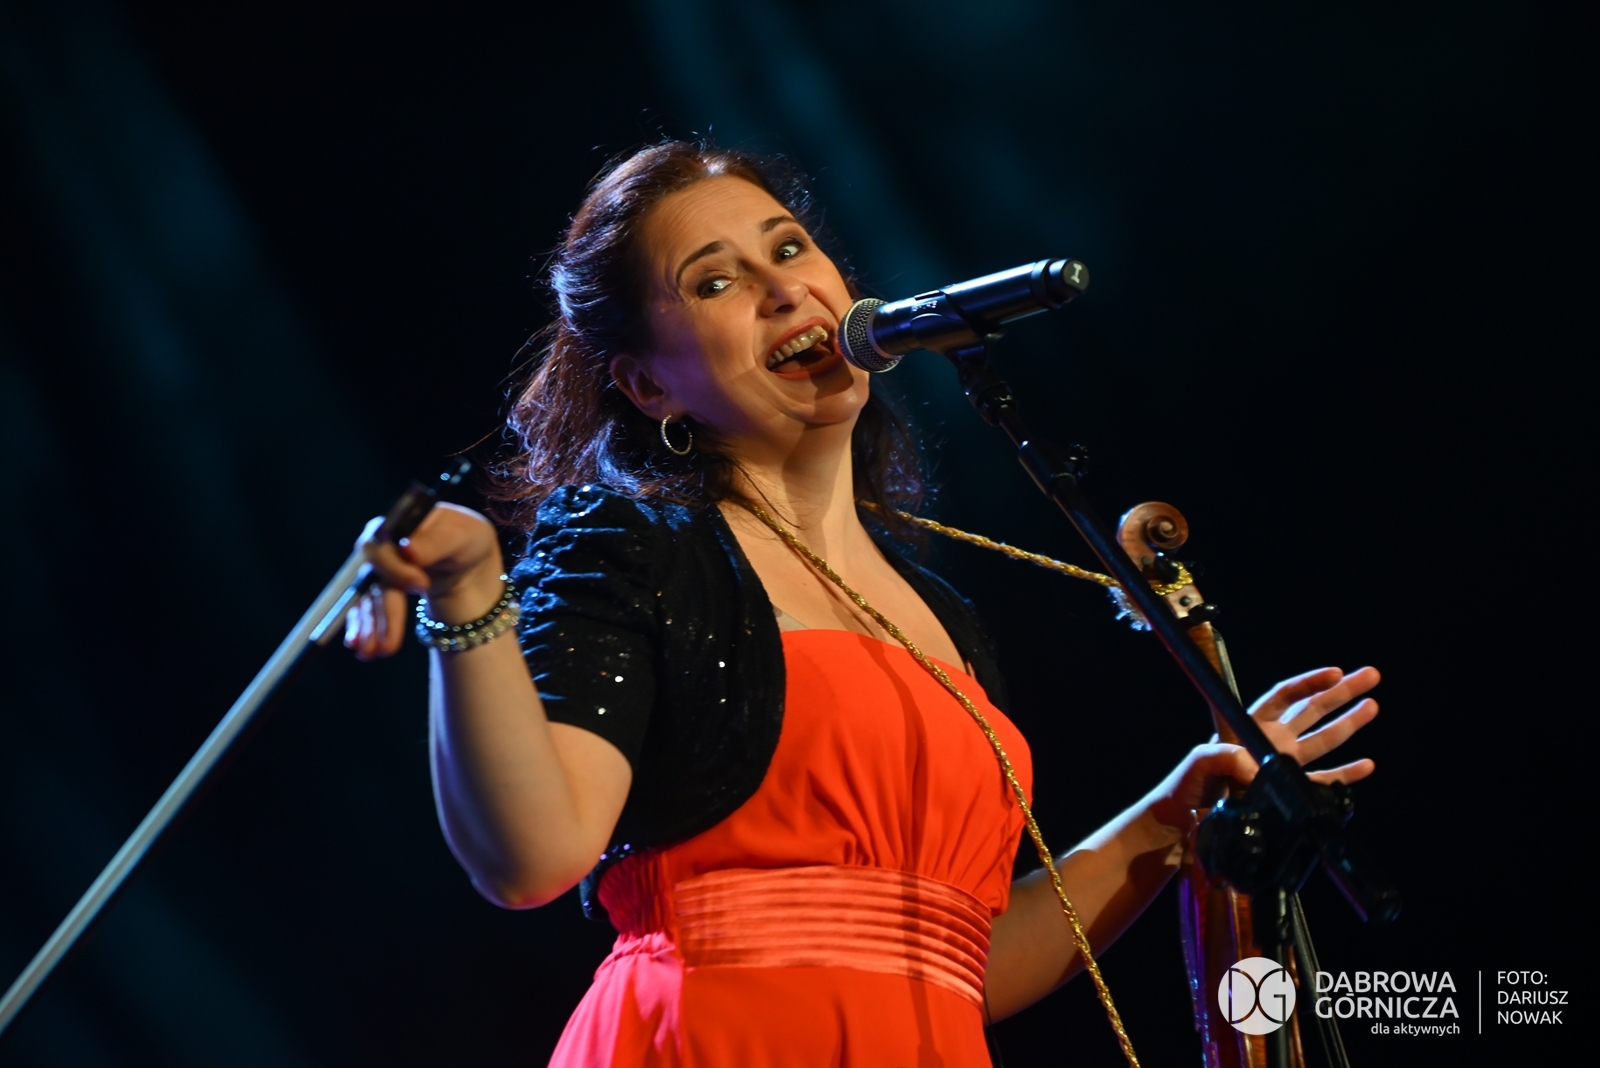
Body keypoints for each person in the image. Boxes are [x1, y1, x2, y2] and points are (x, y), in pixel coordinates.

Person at [345, 141, 1379, 1066]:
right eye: (715, 281)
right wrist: (469, 596)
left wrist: (1169, 815)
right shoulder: (633, 548)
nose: (780, 290)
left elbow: (955, 970)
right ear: (650, 386)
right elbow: (530, 858)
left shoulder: (940, 616)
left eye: (789, 249)